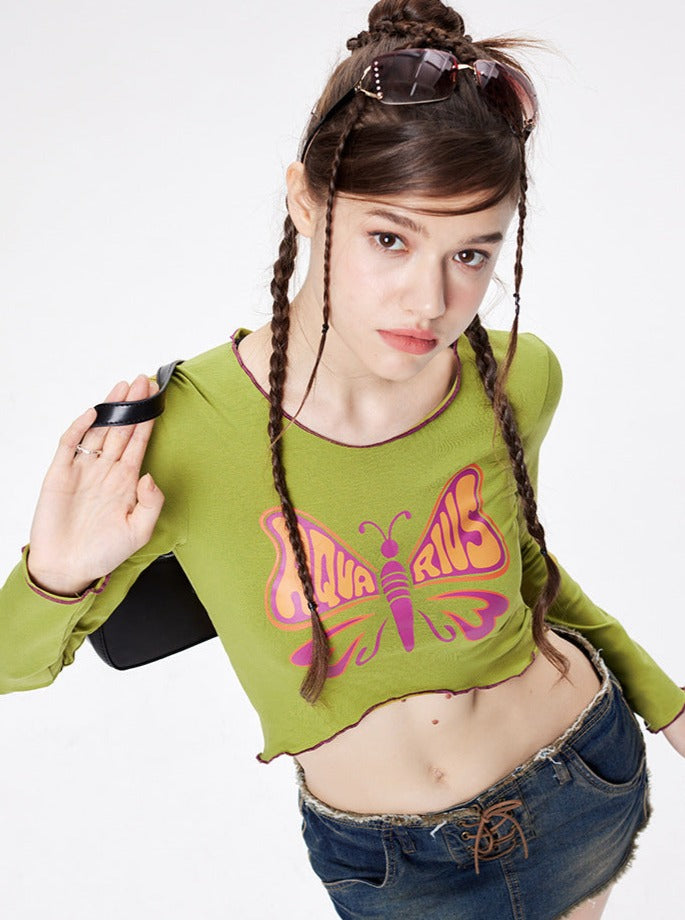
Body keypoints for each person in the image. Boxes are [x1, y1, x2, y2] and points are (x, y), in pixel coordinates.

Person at [1, 0, 684, 917]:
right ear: (306, 201)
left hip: (578, 783)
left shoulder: (517, 377)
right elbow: (13, 666)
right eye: (390, 238)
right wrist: (53, 576)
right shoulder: (190, 431)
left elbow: (525, 572)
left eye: (471, 252)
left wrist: (664, 701)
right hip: (393, 866)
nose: (431, 298)